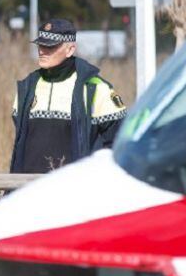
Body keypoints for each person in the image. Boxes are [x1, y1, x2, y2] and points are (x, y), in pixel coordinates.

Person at [9, 18, 127, 174]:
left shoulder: (96, 88)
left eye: (50, 47)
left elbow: (119, 143)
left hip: (75, 192)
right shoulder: (27, 87)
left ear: (70, 50)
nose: (42, 51)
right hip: (28, 191)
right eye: (40, 45)